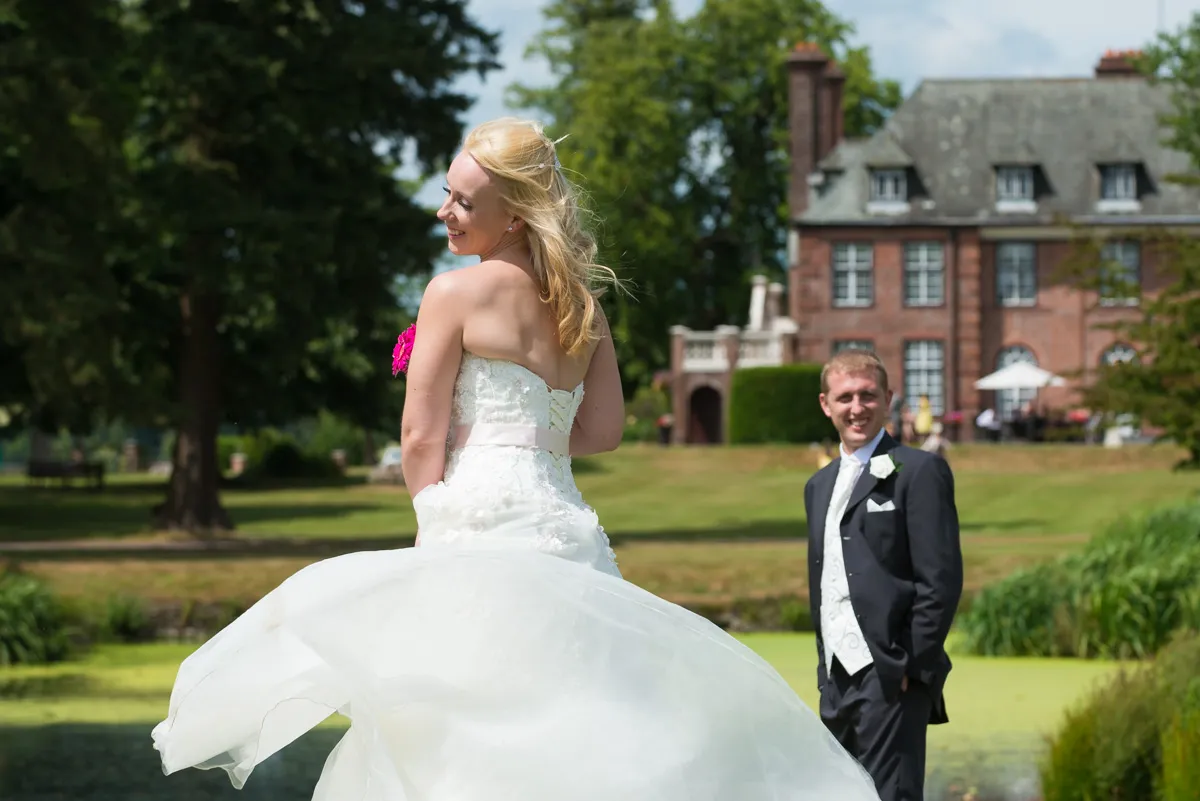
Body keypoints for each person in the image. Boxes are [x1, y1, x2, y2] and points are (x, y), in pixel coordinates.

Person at [150, 118, 881, 801]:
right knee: (575, 718)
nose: (446, 211)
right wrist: (529, 433)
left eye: (465, 202)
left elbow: (418, 438)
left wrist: (435, 514)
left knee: (452, 722)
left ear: (518, 214)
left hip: (473, 525)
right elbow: (602, 431)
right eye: (447, 193)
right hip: (565, 528)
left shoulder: (453, 294)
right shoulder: (583, 309)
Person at [803, 349, 963, 801]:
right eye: (845, 397)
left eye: (868, 396)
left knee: (891, 796)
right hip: (836, 678)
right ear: (825, 404)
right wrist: (823, 670)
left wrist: (913, 661)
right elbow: (825, 578)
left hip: (892, 670)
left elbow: (941, 578)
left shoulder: (921, 471)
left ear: (888, 399)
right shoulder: (818, 486)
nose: (857, 408)